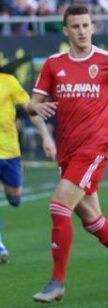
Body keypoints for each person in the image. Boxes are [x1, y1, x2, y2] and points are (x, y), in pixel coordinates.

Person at [28, 5, 108, 303]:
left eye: (86, 25)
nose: (82, 31)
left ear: (93, 27)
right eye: (75, 26)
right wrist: (35, 107)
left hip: (94, 150)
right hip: (68, 152)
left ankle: (57, 283)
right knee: (93, 221)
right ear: (66, 31)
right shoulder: (53, 64)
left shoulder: (107, 61)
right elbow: (31, 103)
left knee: (58, 206)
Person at [0, 71, 55, 263]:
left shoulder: (8, 81)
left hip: (10, 152)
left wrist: (46, 137)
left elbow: (31, 110)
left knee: (15, 199)